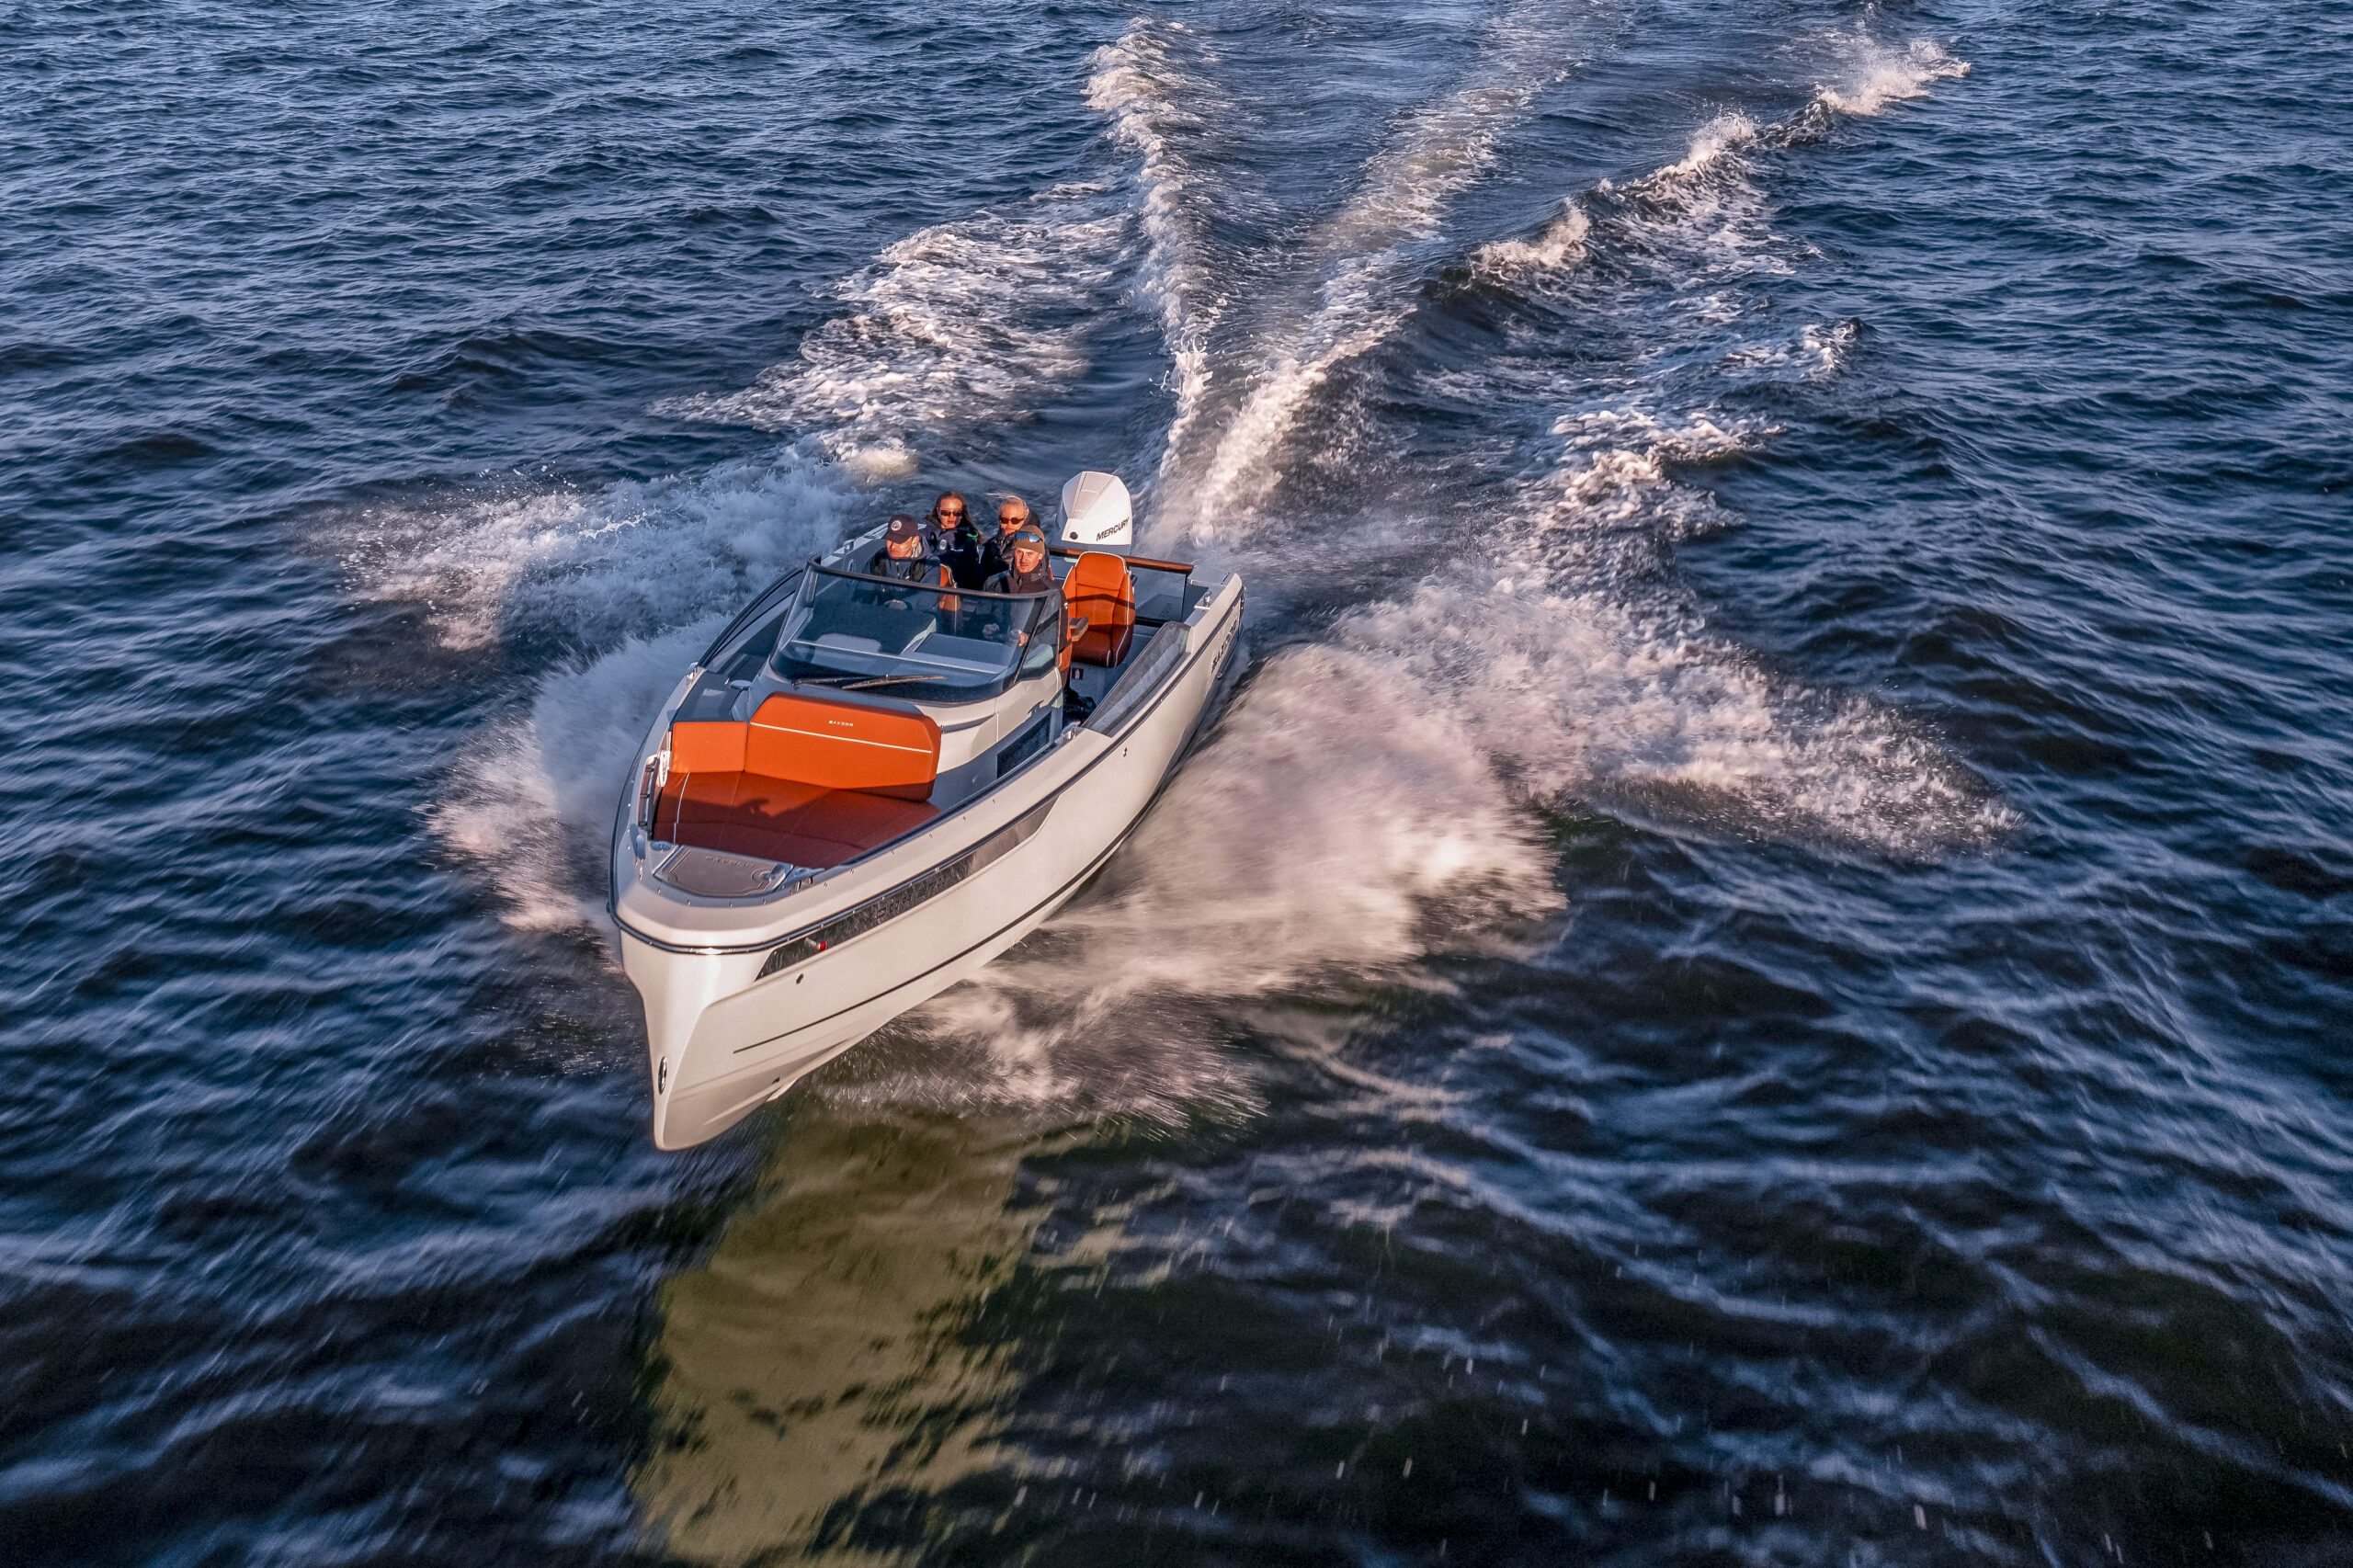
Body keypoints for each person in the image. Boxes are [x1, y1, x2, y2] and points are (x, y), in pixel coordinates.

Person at [866, 514, 949, 587]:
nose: (892, 546)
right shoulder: (878, 558)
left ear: (914, 541)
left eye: (899, 541)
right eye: (890, 540)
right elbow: (863, 588)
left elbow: (925, 597)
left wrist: (904, 602)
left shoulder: (930, 565)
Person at [928, 491, 987, 589]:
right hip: (927, 587)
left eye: (957, 513)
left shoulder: (969, 538)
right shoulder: (925, 532)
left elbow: (972, 573)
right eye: (946, 512)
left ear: (962, 513)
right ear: (938, 511)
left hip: (958, 591)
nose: (952, 517)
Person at [978, 495, 1037, 585]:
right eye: (1004, 520)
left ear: (1024, 521)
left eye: (1015, 521)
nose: (1009, 524)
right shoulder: (992, 544)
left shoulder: (1031, 546)